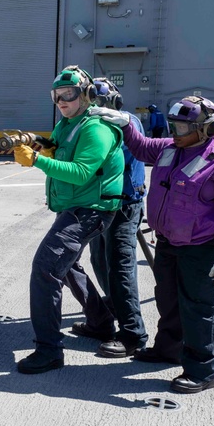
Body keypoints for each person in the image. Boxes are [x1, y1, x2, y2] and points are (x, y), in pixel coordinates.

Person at [93, 96, 214, 393]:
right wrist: (126, 126)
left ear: (208, 128)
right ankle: (168, 350)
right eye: (173, 125)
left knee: (199, 308)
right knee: (168, 300)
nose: (175, 132)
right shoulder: (169, 149)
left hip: (202, 248)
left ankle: (201, 370)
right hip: (167, 243)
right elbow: (140, 147)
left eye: (182, 127)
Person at [10, 65, 123, 375]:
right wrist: (39, 142)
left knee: (46, 267)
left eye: (68, 94)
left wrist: (36, 159)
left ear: (85, 94)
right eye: (56, 96)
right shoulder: (68, 123)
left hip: (90, 209)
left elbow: (81, 171)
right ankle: (100, 322)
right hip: (75, 207)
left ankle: (49, 349)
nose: (61, 101)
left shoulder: (95, 128)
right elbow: (59, 147)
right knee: (67, 264)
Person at [83, 78, 148, 358]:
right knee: (99, 259)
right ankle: (108, 316)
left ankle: (133, 333)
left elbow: (109, 157)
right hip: (101, 204)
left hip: (124, 205)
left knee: (120, 267)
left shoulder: (126, 121)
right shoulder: (91, 124)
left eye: (99, 102)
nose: (95, 107)